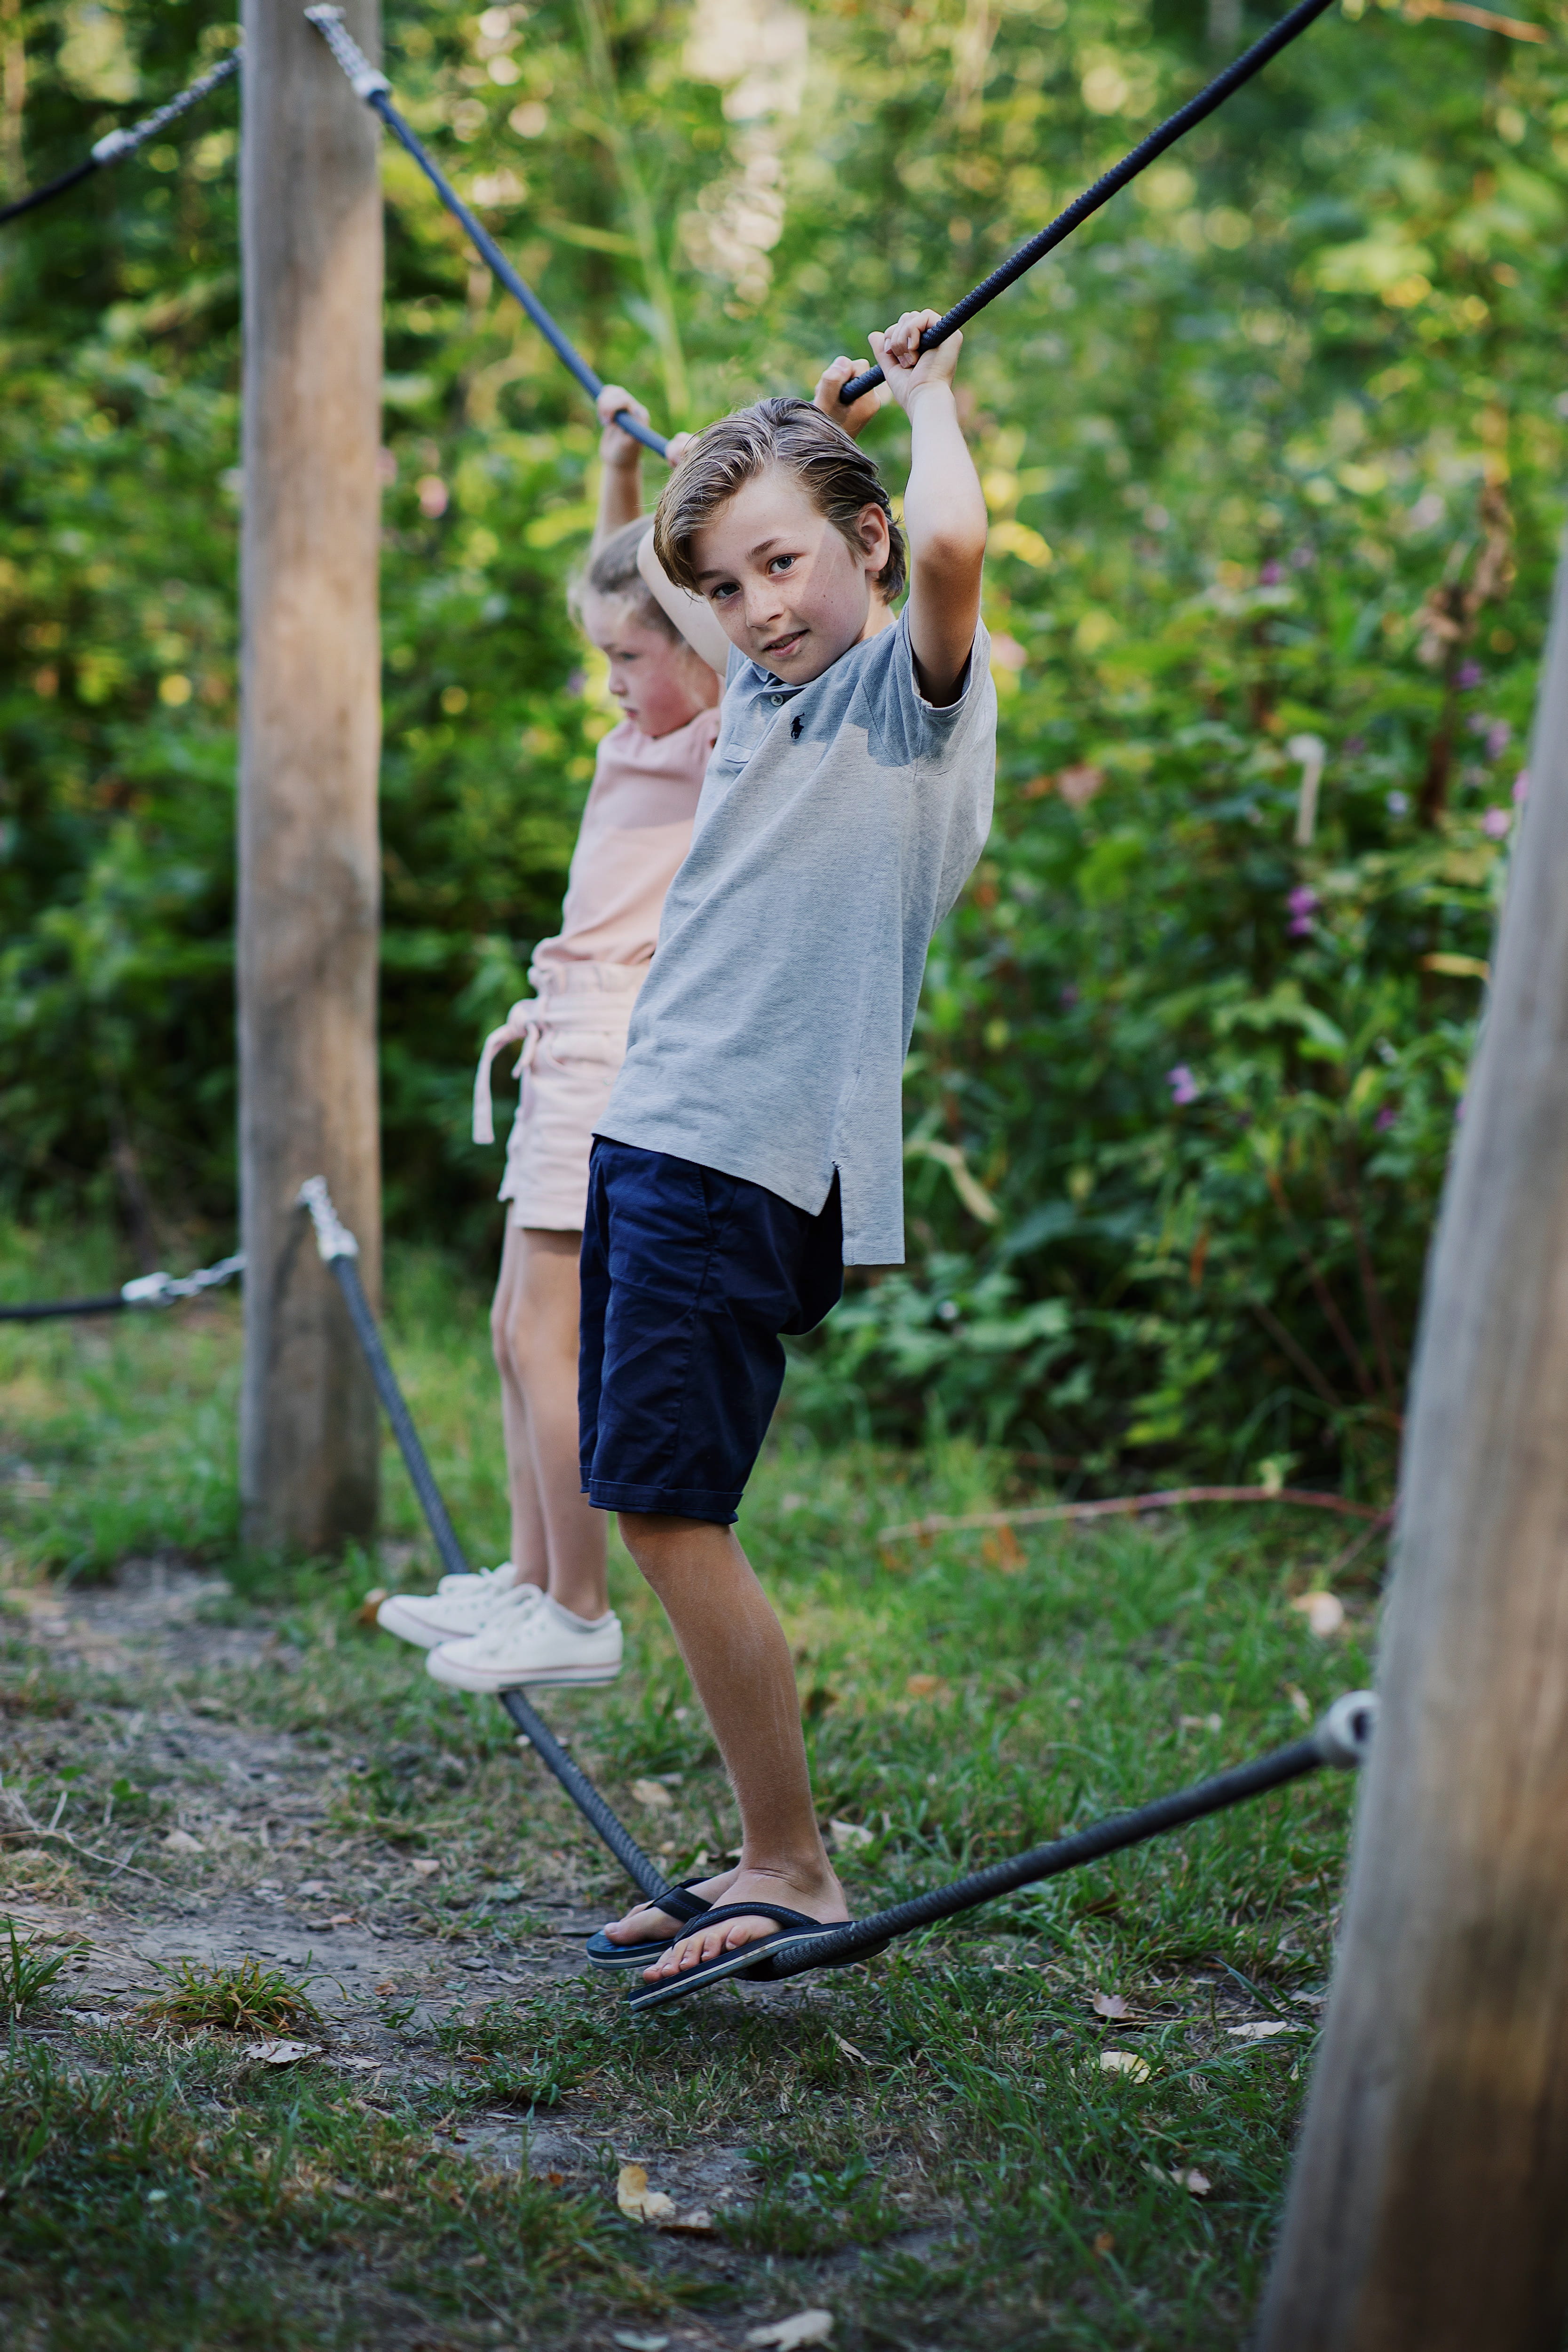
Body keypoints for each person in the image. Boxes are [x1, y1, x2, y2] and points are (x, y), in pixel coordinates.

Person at [579, 310, 996, 2003]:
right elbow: (658, 565)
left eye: (787, 565)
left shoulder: (909, 700)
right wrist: (712, 457)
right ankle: (764, 1848)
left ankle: (792, 1864)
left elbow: (952, 546)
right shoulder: (762, 686)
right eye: (734, 583)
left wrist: (929, 400)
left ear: (866, 544)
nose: (758, 607)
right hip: (656, 1130)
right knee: (648, 1506)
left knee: (673, 1513)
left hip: (743, 1155)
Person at [373, 383, 722, 1688]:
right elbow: (624, 585)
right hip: (564, 1041)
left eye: (629, 659)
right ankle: (530, 1581)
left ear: (694, 645)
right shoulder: (644, 725)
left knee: (550, 1336)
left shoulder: (714, 737)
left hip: (616, 1047)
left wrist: (697, 493)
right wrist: (618, 475)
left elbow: (683, 604)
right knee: (511, 1322)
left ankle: (578, 1611)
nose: (613, 680)